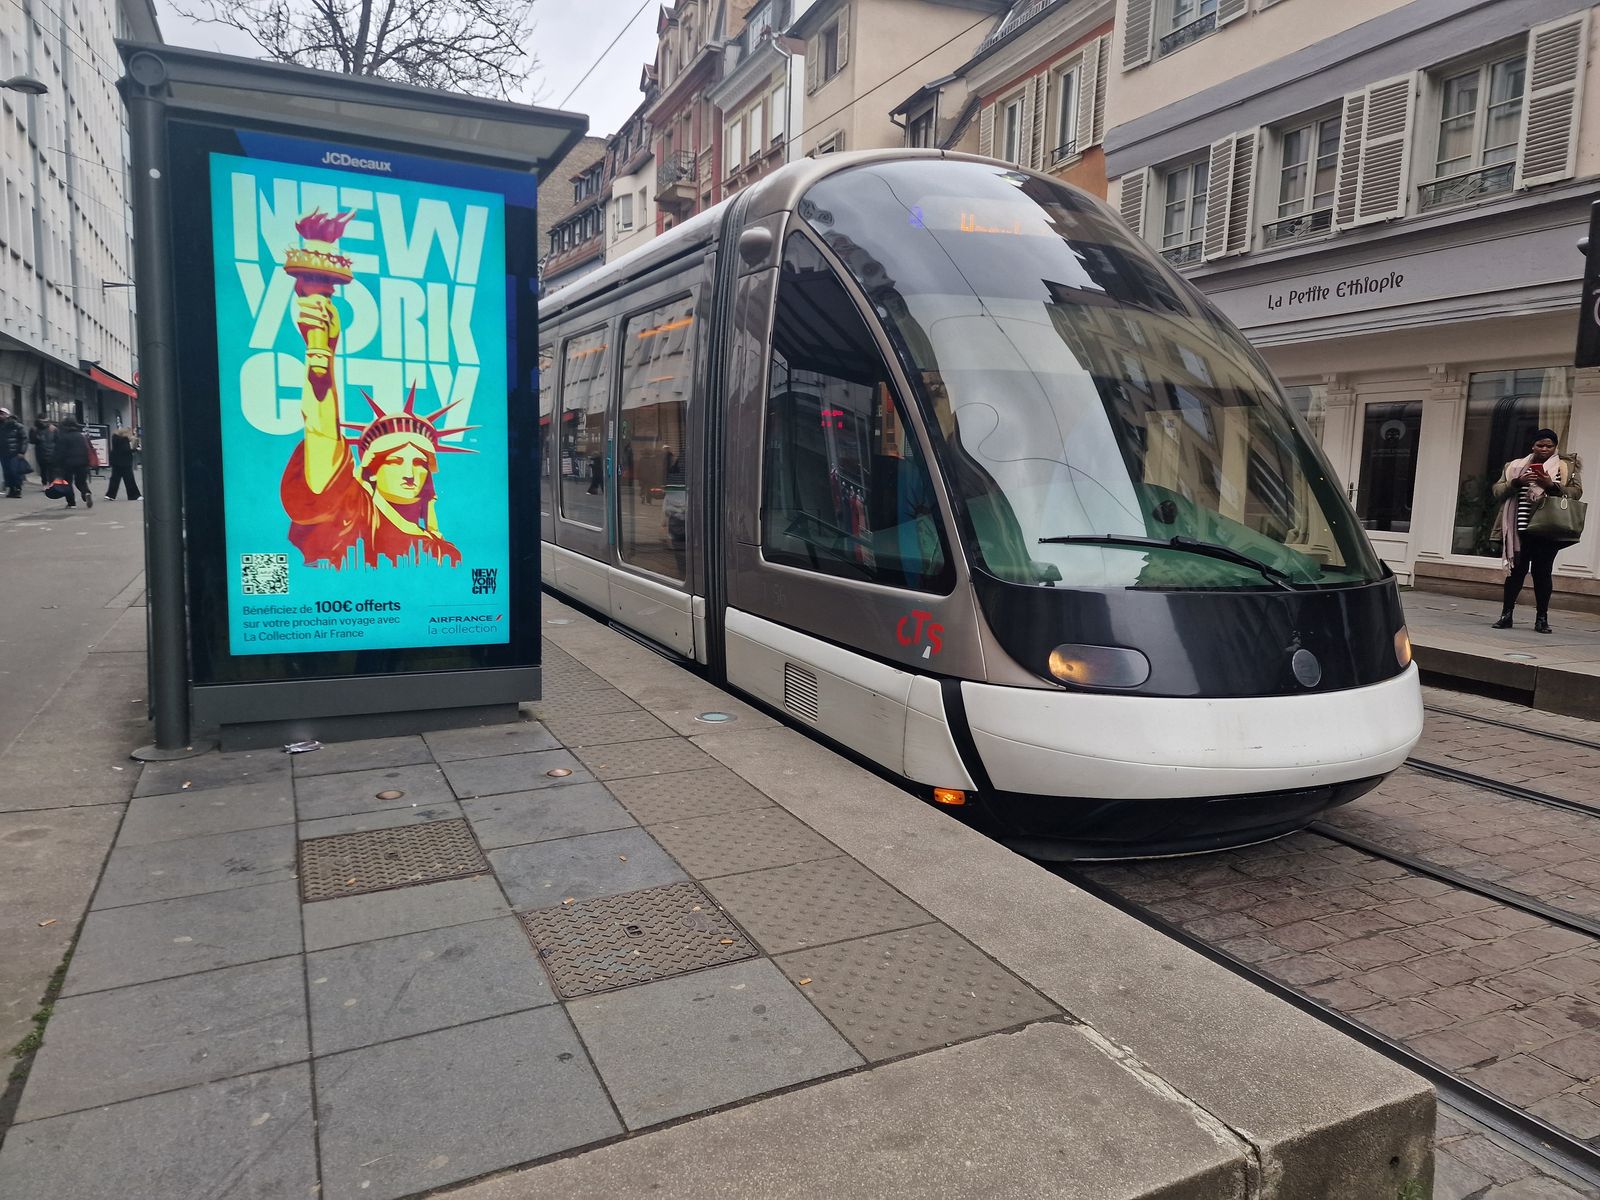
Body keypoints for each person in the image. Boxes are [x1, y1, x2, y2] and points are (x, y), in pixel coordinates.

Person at [282, 293, 468, 567]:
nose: (410, 474)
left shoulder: (443, 551)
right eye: (395, 461)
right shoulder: (354, 515)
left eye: (419, 464)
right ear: (372, 470)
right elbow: (322, 433)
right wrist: (321, 351)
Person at [1491, 428, 1582, 634]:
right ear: (1533, 446)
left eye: (1549, 446)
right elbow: (1497, 490)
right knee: (1515, 574)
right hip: (1519, 529)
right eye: (1540, 445)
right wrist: (1517, 482)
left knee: (1542, 574)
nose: (1544, 449)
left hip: (1547, 530)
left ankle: (1542, 619)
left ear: (1555, 447)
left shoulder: (1565, 466)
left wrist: (1551, 486)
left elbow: (1576, 492)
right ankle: (1506, 615)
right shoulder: (1515, 466)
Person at [53, 417, 93, 508]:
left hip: (67, 463)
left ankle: (71, 503)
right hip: (83, 462)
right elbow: (86, 449)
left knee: (67, 483)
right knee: (81, 482)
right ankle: (86, 492)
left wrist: (56, 463)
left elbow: (59, 452)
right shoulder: (81, 436)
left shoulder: (63, 437)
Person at [105, 427, 141, 500]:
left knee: (115, 479)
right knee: (129, 480)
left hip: (116, 462)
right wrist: (135, 449)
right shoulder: (124, 440)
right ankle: (134, 495)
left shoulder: (115, 438)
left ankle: (110, 495)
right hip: (125, 463)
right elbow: (126, 450)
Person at [0, 408, 28, 497]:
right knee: (7, 472)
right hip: (3, 453)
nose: (0, 416)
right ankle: (11, 489)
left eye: (2, 414)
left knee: (15, 471)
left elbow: (24, 439)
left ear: (7, 415)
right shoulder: (1, 426)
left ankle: (18, 489)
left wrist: (22, 451)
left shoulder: (17, 426)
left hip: (15, 453)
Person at [29, 417, 54, 491]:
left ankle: (50, 484)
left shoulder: (52, 429)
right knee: (44, 470)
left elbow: (57, 439)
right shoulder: (35, 429)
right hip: (42, 452)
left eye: (45, 421)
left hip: (49, 452)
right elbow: (32, 440)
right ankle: (45, 484)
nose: (44, 423)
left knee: (50, 470)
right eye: (42, 421)